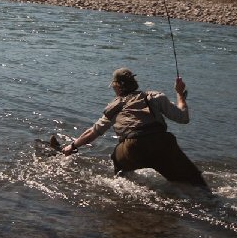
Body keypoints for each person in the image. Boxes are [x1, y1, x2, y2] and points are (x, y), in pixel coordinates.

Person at [62, 67, 211, 192]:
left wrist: (73, 146)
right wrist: (179, 94)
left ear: (118, 86)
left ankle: (126, 192)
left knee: (117, 158)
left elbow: (93, 132)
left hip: (133, 147)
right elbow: (183, 118)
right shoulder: (154, 97)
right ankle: (210, 201)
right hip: (163, 144)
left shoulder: (115, 106)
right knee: (195, 182)